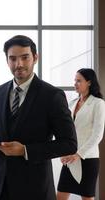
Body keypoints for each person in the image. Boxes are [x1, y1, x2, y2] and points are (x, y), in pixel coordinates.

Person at [0, 35, 78, 200]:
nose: (19, 64)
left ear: (35, 58)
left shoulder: (52, 95)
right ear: (7, 61)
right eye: (13, 58)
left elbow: (69, 144)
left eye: (24, 57)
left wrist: (25, 150)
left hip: (35, 188)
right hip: (1, 187)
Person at [57, 68, 105, 200]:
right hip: (70, 158)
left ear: (89, 82)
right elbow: (65, 131)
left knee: (87, 197)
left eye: (79, 80)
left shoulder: (98, 103)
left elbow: (97, 134)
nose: (75, 83)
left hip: (87, 158)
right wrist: (63, 152)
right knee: (60, 195)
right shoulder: (72, 103)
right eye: (74, 80)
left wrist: (79, 154)